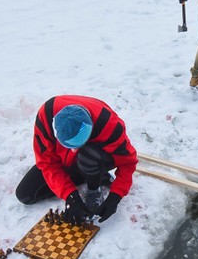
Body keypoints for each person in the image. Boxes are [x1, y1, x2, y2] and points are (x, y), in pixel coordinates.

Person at [15, 95, 138, 223]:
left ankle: (94, 186)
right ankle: (93, 174)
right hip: (65, 161)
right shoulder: (46, 116)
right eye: (70, 146)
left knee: (88, 155)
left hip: (97, 156)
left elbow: (128, 162)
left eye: (78, 145)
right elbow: (47, 162)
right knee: (25, 194)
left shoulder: (109, 125)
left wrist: (115, 196)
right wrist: (69, 195)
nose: (74, 151)